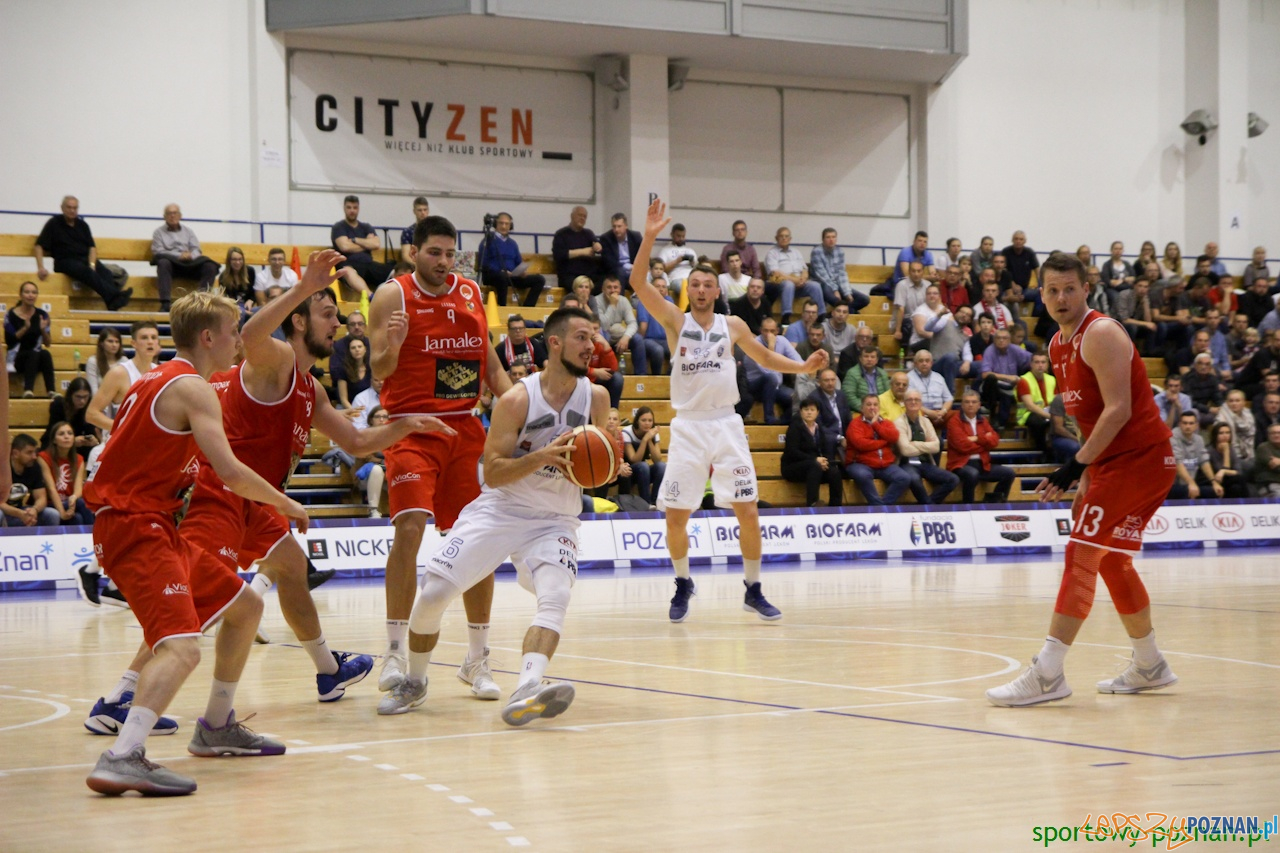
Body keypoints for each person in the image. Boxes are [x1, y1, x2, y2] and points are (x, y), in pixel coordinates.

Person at [176, 254, 453, 706]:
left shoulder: (310, 387)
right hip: (222, 496)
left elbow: (358, 441)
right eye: (329, 315)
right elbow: (250, 334)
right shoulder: (278, 358)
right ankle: (124, 696)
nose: (339, 325)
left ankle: (328, 671)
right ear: (300, 322)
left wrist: (406, 426)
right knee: (190, 607)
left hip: (257, 503)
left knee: (291, 567)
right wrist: (304, 288)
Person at [82, 290, 311, 796]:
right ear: (209, 337)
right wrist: (284, 502)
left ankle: (215, 726)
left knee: (246, 604)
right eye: (233, 333)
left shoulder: (151, 380)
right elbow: (229, 472)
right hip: (135, 526)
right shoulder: (194, 388)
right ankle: (124, 754)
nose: (239, 343)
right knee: (183, 648)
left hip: (147, 522)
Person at [377, 307, 612, 726]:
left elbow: (594, 464)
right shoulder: (517, 399)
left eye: (592, 337)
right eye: (581, 337)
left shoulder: (596, 397)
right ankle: (414, 680)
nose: (590, 346)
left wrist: (609, 465)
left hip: (556, 518)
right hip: (503, 508)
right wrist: (543, 456)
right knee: (432, 594)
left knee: (555, 594)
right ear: (554, 343)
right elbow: (496, 472)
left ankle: (527, 686)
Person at [986, 253, 1178, 708]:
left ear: (1086, 288)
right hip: (1114, 463)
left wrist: (1075, 465)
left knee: (1082, 552)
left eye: (1069, 288)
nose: (1061, 298)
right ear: (1041, 295)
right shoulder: (1056, 346)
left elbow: (1119, 410)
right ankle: (1150, 664)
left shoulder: (1102, 332)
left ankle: (1048, 673)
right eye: (1052, 290)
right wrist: (1090, 473)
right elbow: (1089, 420)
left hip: (1142, 459)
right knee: (1112, 562)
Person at [631, 199, 827, 623]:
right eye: (695, 284)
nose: (700, 289)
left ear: (717, 290)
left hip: (726, 425)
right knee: (677, 517)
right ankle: (683, 582)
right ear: (690, 290)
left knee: (749, 510)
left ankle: (753, 589)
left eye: (707, 284)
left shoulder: (732, 326)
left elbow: (766, 359)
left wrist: (802, 366)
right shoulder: (674, 322)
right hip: (688, 428)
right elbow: (637, 282)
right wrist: (649, 236)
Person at [369, 214, 514, 699]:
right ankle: (392, 650)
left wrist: (518, 408)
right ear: (414, 251)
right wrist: (392, 345)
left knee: (477, 542)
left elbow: (488, 360)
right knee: (409, 527)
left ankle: (477, 659)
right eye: (434, 252)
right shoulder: (392, 294)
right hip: (411, 425)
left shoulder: (471, 292)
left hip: (466, 427)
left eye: (450, 254)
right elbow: (377, 367)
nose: (443, 262)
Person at [34, 196, 131, 310]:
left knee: (106, 273)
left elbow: (92, 248)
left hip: (84, 259)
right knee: (86, 272)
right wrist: (41, 267)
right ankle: (115, 297)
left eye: (75, 208)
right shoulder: (53, 223)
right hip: (65, 261)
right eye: (69, 207)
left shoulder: (82, 225)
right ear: (62, 208)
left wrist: (92, 264)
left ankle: (111, 302)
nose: (72, 210)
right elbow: (39, 246)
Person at [945, 389, 1014, 503]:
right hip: (960, 464)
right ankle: (968, 506)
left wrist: (976, 438)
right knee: (972, 474)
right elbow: (962, 446)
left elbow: (995, 441)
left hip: (983, 464)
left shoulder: (983, 420)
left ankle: (994, 502)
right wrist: (984, 441)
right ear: (962, 405)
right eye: (967, 402)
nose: (970, 405)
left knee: (1009, 473)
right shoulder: (954, 421)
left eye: (973, 402)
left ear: (979, 405)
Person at [843, 394, 912, 506]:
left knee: (904, 478)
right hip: (860, 463)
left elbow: (894, 437)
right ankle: (879, 508)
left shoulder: (886, 423)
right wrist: (884, 442)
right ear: (862, 408)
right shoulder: (855, 424)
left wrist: (876, 425)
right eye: (868, 404)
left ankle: (881, 507)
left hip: (885, 465)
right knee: (863, 476)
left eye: (875, 404)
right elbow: (861, 444)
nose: (872, 407)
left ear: (879, 408)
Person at [150, 204, 218, 312]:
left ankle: (202, 302)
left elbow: (196, 249)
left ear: (180, 215)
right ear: (164, 216)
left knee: (210, 266)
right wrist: (178, 256)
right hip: (172, 266)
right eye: (169, 213)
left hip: (190, 265)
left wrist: (190, 255)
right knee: (163, 262)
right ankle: (165, 304)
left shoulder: (188, 231)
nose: (172, 216)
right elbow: (158, 251)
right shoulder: (159, 233)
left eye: (175, 213)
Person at [896, 389, 959, 504]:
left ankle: (927, 505)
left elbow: (936, 446)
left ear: (921, 404)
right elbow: (905, 450)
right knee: (914, 479)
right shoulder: (899, 422)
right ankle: (929, 507)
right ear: (904, 403)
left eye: (917, 400)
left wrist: (914, 444)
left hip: (925, 463)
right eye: (910, 400)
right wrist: (926, 445)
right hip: (906, 464)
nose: (913, 402)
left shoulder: (926, 421)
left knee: (953, 479)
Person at [782, 399, 843, 507]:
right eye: (806, 410)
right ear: (801, 412)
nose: (809, 412)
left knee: (834, 472)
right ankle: (813, 503)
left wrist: (825, 461)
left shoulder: (819, 428)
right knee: (815, 465)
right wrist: (814, 460)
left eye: (812, 410)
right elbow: (792, 452)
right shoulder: (794, 427)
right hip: (793, 467)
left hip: (814, 467)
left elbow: (824, 449)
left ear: (817, 412)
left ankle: (836, 505)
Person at [743, 317, 802, 425]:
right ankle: (769, 418)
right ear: (760, 330)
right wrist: (771, 346)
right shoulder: (754, 344)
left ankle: (781, 422)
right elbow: (767, 370)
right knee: (770, 378)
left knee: (796, 397)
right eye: (765, 330)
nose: (768, 334)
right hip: (755, 386)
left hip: (775, 387)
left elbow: (798, 362)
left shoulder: (782, 341)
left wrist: (808, 367)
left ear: (777, 331)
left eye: (772, 331)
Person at [481, 212, 546, 307]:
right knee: (502, 277)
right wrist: (501, 271)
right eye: (501, 223)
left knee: (539, 280)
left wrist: (521, 271)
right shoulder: (488, 240)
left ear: (510, 226)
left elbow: (518, 262)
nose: (504, 226)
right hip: (494, 275)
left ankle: (527, 308)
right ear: (495, 224)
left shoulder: (512, 243)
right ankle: (502, 307)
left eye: (507, 224)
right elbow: (484, 262)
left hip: (511, 276)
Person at [5, 281, 56, 398]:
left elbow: (48, 343)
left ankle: (51, 391)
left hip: (35, 358)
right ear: (21, 295)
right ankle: (28, 390)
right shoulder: (11, 315)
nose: (30, 295)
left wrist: (43, 330)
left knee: (45, 353)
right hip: (16, 358)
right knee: (34, 353)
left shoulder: (42, 315)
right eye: (27, 292)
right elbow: (10, 341)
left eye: (34, 292)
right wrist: (25, 328)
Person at [764, 227, 824, 324]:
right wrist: (795, 280)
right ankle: (786, 316)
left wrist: (803, 279)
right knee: (788, 284)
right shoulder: (772, 253)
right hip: (781, 285)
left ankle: (821, 315)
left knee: (815, 285)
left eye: (786, 236)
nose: (784, 238)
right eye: (781, 236)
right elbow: (775, 273)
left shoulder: (796, 252)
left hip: (800, 284)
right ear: (776, 238)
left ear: (790, 239)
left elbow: (805, 269)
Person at [332, 195, 394, 287]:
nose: (352, 210)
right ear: (344, 208)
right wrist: (366, 243)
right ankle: (370, 296)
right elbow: (344, 247)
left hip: (369, 264)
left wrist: (354, 240)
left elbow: (376, 244)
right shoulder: (339, 227)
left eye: (355, 207)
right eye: (349, 207)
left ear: (358, 208)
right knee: (348, 271)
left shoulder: (366, 227)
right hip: (348, 264)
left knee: (395, 270)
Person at [38, 421, 92, 525]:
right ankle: (94, 536)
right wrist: (62, 512)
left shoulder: (79, 459)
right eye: (61, 434)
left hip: (70, 502)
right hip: (51, 503)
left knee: (78, 518)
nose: (66, 437)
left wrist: (74, 497)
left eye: (70, 433)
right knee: (82, 503)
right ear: (54, 440)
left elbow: (78, 489)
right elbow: (51, 489)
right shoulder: (43, 457)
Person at [3, 434, 60, 527]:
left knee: (52, 514)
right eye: (29, 453)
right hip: (5, 512)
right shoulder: (2, 468)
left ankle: (46, 541)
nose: (34, 456)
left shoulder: (34, 467)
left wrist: (34, 509)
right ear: (15, 453)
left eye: (35, 452)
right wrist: (20, 514)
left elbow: (41, 497)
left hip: (21, 511)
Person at [980, 327, 1032, 428]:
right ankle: (992, 412)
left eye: (1004, 338)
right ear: (994, 340)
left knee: (1007, 396)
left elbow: (1033, 359)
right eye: (998, 338)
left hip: (1010, 387)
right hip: (993, 387)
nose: (1001, 340)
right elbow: (985, 374)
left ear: (1009, 340)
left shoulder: (1015, 349)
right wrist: (1008, 377)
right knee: (991, 378)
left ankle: (1002, 423)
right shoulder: (989, 351)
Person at [810, 228, 870, 312]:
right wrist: (835, 290)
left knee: (864, 299)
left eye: (833, 237)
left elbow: (842, 274)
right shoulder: (817, 251)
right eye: (828, 237)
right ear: (823, 239)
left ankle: (843, 312)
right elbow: (821, 274)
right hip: (822, 283)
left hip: (837, 284)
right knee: (833, 298)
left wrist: (847, 293)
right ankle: (850, 311)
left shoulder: (840, 251)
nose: (831, 240)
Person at [44, 377, 99, 460]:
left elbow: (90, 431)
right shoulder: (58, 406)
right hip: (57, 445)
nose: (82, 401)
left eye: (85, 397)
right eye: (78, 397)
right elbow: (53, 432)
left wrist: (94, 441)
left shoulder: (90, 407)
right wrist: (72, 441)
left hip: (81, 449)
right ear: (70, 395)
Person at [630, 277, 674, 376]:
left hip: (666, 340)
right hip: (648, 339)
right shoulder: (644, 301)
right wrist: (640, 344)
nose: (661, 289)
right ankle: (656, 377)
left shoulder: (669, 301)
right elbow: (643, 326)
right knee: (658, 351)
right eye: (658, 286)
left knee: (679, 349)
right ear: (651, 288)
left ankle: (669, 378)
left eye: (663, 286)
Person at [623, 406, 666, 508]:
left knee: (662, 466)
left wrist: (650, 439)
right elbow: (634, 459)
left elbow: (657, 459)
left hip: (644, 473)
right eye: (643, 420)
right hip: (629, 472)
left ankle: (655, 502)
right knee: (643, 465)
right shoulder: (627, 432)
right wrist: (644, 440)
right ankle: (645, 503)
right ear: (637, 421)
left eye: (650, 420)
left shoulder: (653, 433)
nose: (647, 423)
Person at [1169, 411, 1217, 499]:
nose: (1188, 426)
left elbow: (1204, 461)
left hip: (1191, 481)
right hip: (1173, 484)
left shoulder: (1199, 439)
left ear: (1196, 425)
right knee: (1187, 491)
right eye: (1185, 423)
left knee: (1214, 491)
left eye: (1191, 423)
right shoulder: (1172, 437)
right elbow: (1178, 463)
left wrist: (1214, 482)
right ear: (1180, 424)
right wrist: (1191, 483)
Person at [1016, 353, 1056, 456]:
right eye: (1037, 362)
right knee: (1039, 421)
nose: (1040, 365)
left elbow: (1057, 400)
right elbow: (1030, 405)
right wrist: (1049, 416)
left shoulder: (1052, 379)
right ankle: (1042, 451)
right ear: (1031, 364)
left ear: (1047, 365)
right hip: (1028, 414)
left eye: (1043, 362)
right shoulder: (1024, 380)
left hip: (1049, 412)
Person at [552, 206, 601, 289]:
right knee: (580, 287)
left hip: (588, 274)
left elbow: (596, 245)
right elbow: (559, 255)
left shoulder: (588, 233)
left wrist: (598, 246)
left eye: (584, 216)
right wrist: (582, 252)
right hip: (569, 275)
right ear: (572, 216)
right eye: (580, 215)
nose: (582, 218)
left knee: (606, 284)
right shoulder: (561, 234)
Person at [592, 275, 637, 355]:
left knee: (637, 339)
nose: (613, 290)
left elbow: (633, 323)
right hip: (603, 336)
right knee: (605, 336)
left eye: (615, 287)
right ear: (603, 289)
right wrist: (612, 305)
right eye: (609, 287)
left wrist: (625, 337)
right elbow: (604, 326)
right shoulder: (596, 301)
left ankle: (640, 368)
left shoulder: (623, 300)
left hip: (618, 336)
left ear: (619, 289)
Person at [1206, 422, 1250, 498]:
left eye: (1227, 433)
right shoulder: (1209, 451)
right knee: (1239, 479)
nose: (1225, 436)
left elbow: (1238, 471)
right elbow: (1220, 474)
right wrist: (1226, 451)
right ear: (1215, 435)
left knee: (1236, 488)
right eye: (1221, 433)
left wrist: (1224, 471)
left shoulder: (1231, 449)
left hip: (1229, 481)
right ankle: (1249, 503)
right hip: (1214, 482)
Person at [842, 346, 891, 412]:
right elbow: (849, 397)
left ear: (877, 360)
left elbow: (888, 394)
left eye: (872, 357)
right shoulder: (852, 373)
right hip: (860, 411)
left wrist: (879, 409)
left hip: (880, 410)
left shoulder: (882, 373)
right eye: (866, 356)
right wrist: (866, 409)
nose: (869, 359)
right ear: (860, 359)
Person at [599, 213, 643, 284]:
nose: (616, 230)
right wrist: (628, 267)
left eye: (619, 226)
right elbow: (609, 262)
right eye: (614, 226)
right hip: (616, 270)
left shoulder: (636, 237)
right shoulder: (606, 238)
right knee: (619, 273)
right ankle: (620, 295)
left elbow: (643, 256)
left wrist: (637, 267)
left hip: (635, 269)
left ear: (626, 226)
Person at [658, 223, 699, 298]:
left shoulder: (690, 250)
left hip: (692, 277)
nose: (681, 239)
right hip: (676, 278)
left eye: (683, 236)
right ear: (672, 235)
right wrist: (677, 261)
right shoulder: (665, 250)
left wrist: (693, 262)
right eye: (678, 236)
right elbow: (662, 270)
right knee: (684, 288)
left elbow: (697, 268)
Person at [808, 368, 852, 436]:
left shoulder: (841, 395)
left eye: (833, 380)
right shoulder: (814, 398)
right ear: (819, 382)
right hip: (827, 439)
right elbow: (819, 426)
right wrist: (839, 438)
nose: (830, 383)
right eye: (826, 380)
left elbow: (848, 419)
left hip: (845, 435)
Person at [85, 327, 124, 394]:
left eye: (117, 342)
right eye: (110, 341)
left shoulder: (124, 361)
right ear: (102, 343)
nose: (114, 345)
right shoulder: (93, 361)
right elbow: (93, 390)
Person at [336, 337, 371, 409]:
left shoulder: (371, 368)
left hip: (368, 408)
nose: (357, 350)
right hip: (349, 407)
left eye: (359, 347)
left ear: (365, 350)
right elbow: (344, 400)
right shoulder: (343, 369)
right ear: (349, 351)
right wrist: (356, 413)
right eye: (353, 348)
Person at [398, 197, 431, 264]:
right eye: (420, 210)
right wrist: (419, 266)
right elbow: (406, 256)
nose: (423, 213)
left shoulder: (435, 230)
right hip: (415, 264)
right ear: (414, 211)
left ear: (428, 211)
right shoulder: (408, 232)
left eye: (425, 210)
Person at [1254, 423, 1280, 497]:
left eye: (1279, 433)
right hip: (1270, 484)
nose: (1276, 435)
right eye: (1273, 433)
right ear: (1268, 435)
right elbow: (1275, 467)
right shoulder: (1263, 448)